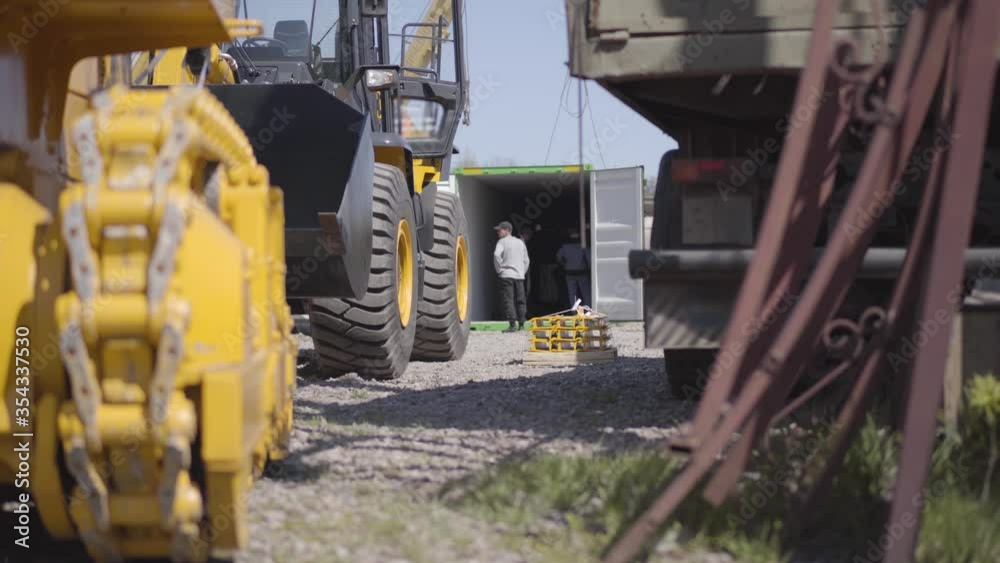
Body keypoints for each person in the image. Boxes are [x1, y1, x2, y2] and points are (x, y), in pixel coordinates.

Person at [493, 221, 530, 332]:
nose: (498, 232)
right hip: (519, 276)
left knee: (508, 300)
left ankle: (512, 325)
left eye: (500, 230)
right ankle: (522, 324)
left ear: (507, 230)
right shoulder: (520, 242)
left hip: (506, 275)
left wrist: (499, 270)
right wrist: (522, 272)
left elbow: (496, 255)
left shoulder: (502, 242)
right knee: (521, 299)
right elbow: (526, 260)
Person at [556, 231, 591, 308]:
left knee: (572, 294)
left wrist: (564, 264)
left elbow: (559, 258)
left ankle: (575, 311)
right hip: (582, 271)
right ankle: (589, 310)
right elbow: (589, 259)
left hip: (569, 272)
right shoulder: (583, 247)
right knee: (586, 293)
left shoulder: (565, 247)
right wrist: (588, 267)